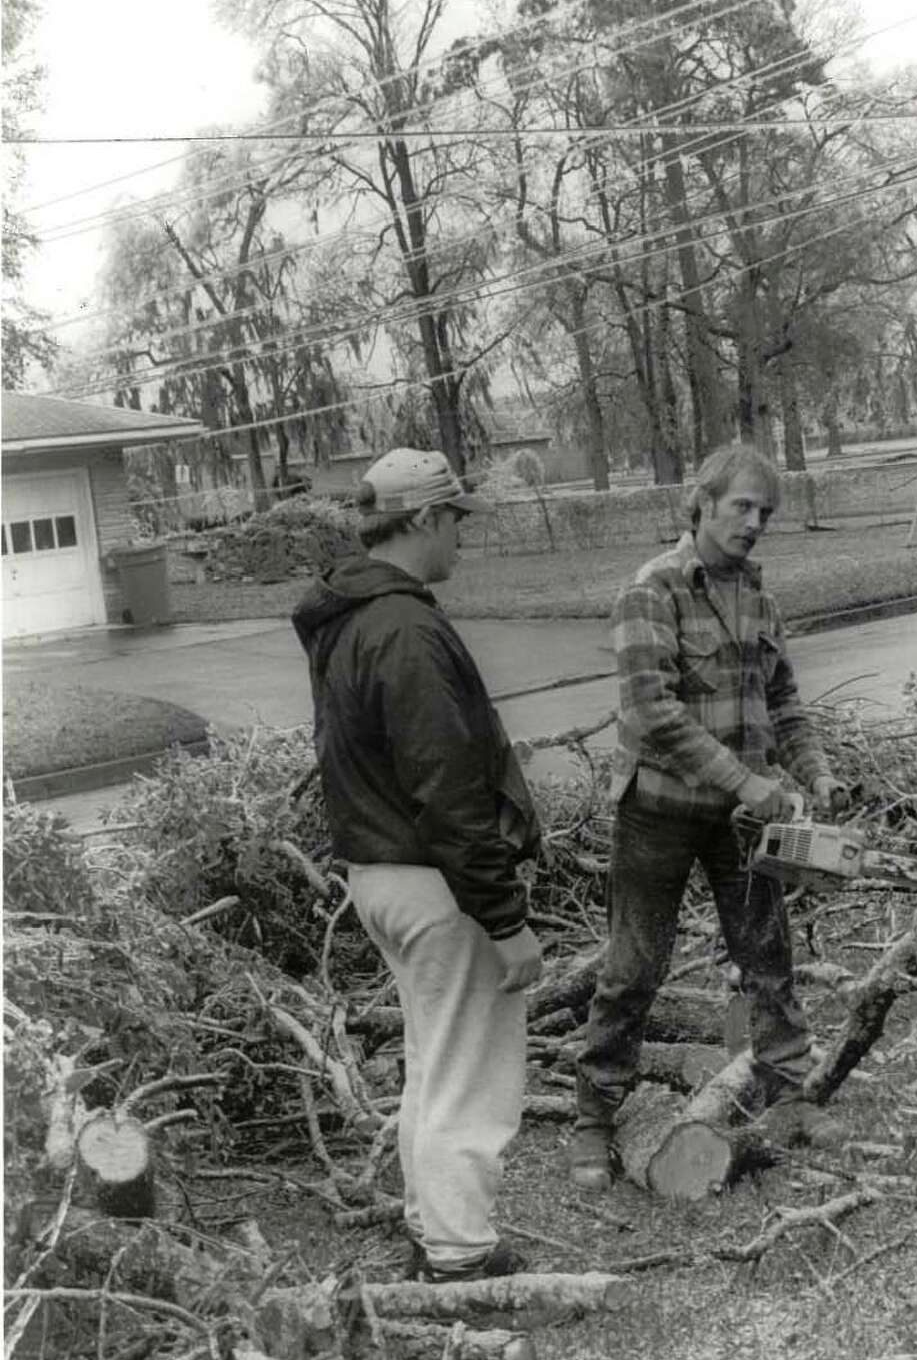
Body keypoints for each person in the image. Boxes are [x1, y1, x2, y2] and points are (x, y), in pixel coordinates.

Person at [570, 442, 850, 1190]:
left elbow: (784, 700)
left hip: (743, 825)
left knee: (768, 957)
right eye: (742, 508)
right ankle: (596, 1118)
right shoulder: (650, 591)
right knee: (632, 968)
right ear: (699, 504)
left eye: (765, 512)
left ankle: (791, 1098)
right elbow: (653, 713)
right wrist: (745, 782)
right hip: (658, 812)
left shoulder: (759, 597)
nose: (754, 523)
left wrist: (817, 775)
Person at [293, 447, 543, 1280]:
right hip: (435, 881)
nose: (460, 541)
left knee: (434, 1060)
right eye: (456, 522)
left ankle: (429, 1225)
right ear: (425, 517)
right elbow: (446, 788)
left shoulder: (350, 617)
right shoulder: (404, 627)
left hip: (379, 874)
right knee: (470, 1071)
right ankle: (461, 1256)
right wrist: (504, 920)